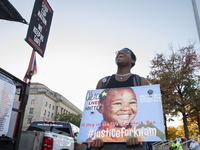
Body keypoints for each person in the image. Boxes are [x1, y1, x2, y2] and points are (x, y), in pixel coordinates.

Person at [87, 48, 150, 149]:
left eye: (125, 52)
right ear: (101, 107)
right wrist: (95, 139)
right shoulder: (103, 82)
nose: (120, 52)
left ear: (132, 60)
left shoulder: (141, 82)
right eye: (117, 103)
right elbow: (93, 112)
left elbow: (148, 110)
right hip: (103, 145)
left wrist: (139, 138)